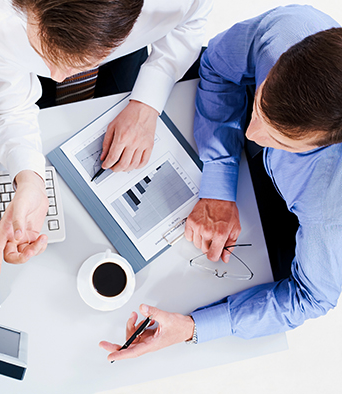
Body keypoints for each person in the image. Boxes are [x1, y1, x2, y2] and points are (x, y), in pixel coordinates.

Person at [100, 5, 342, 361]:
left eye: (280, 137)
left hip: (298, 216)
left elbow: (309, 297)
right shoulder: (293, 28)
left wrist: (193, 329)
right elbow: (217, 66)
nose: (250, 132)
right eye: (260, 106)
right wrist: (219, 182)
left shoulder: (329, 215)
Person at [0, 0, 213, 278]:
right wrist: (29, 178)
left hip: (122, 54)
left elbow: (191, 22)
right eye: (41, 51)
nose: (57, 76)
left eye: (80, 64)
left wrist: (147, 103)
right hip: (3, 51)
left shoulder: (173, 4)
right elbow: (8, 105)